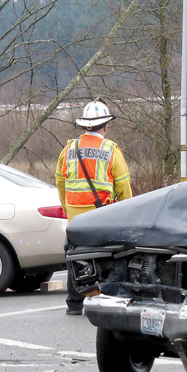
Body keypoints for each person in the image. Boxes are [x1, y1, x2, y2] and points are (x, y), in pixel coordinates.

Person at [56, 98, 133, 315]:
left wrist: (67, 207)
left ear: (83, 126)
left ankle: (74, 303)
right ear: (106, 126)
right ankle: (104, 298)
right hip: (102, 216)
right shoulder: (111, 150)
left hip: (75, 216)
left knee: (75, 256)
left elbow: (60, 182)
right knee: (107, 258)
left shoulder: (69, 149)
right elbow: (123, 185)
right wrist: (126, 214)